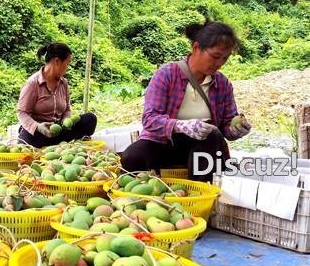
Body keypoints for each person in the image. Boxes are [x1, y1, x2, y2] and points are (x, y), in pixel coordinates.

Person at [120, 20, 252, 183]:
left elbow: (225, 127)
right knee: (131, 157)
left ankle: (199, 191)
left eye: (225, 58)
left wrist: (235, 130)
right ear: (196, 48)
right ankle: (147, 192)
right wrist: (181, 126)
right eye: (215, 56)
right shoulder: (167, 74)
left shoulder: (223, 84)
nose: (219, 64)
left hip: (203, 151)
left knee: (211, 134)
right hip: (163, 144)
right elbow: (150, 119)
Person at [17, 42, 97, 148]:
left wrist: (66, 120)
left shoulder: (63, 83)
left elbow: (67, 109)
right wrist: (38, 127)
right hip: (39, 133)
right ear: (57, 61)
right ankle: (54, 144)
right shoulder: (33, 83)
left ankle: (59, 143)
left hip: (58, 130)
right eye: (67, 63)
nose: (67, 67)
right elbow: (22, 113)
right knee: (28, 140)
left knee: (90, 119)